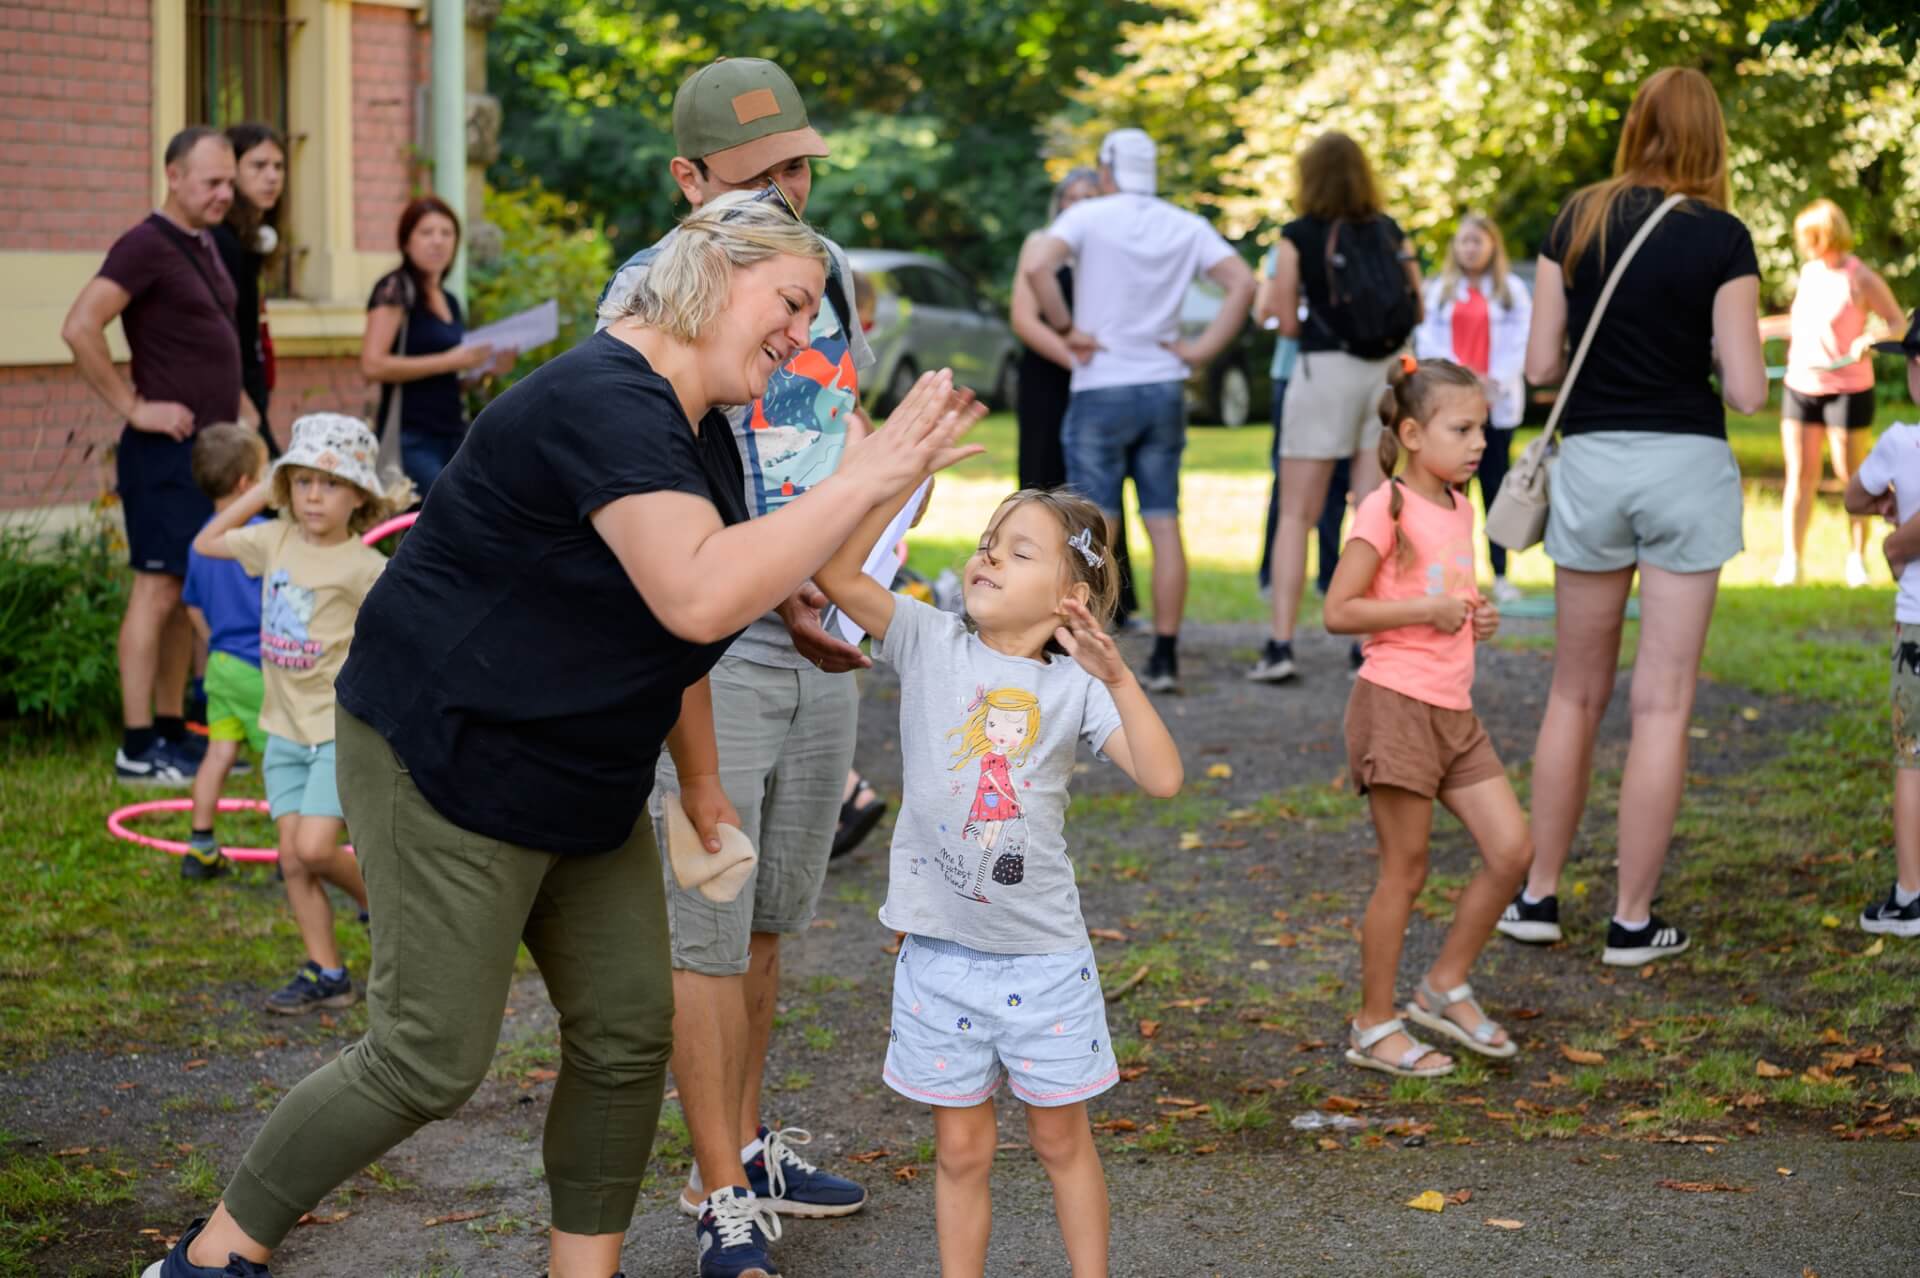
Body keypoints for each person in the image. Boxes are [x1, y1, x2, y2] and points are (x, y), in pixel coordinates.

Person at [141, 194, 987, 1278]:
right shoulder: (602, 398)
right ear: (709, 274)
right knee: (427, 1059)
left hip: (584, 775)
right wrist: (866, 475)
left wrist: (713, 762)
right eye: (790, 302)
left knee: (630, 1032)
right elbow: (691, 593)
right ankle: (212, 1258)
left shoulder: (701, 432)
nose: (800, 333)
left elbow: (696, 608)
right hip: (447, 755)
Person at [591, 58, 895, 1278]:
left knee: (771, 917)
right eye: (762, 173)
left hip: (818, 626)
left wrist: (841, 574)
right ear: (689, 179)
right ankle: (720, 1193)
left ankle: (750, 1144)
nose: (791, 187)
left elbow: (839, 437)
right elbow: (646, 484)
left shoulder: (831, 282)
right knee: (706, 923)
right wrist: (774, 583)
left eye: (801, 165)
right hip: (714, 637)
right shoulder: (651, 290)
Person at [813, 483, 1182, 1278]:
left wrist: (1120, 677)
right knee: (960, 1150)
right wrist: (894, 487)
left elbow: (1162, 777)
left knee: (1059, 1140)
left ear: (1069, 598)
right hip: (939, 957)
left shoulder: (1078, 684)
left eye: (1021, 552)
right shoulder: (927, 639)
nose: (990, 556)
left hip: (1043, 961)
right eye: (989, 540)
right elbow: (841, 577)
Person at [1496, 67, 1767, 966]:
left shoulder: (1577, 220)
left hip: (1595, 463)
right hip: (1686, 466)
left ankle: (1537, 896)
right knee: (1663, 703)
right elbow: (1747, 390)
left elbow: (1540, 365)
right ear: (1711, 138)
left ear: (1637, 126)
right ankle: (1631, 920)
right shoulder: (1723, 237)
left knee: (1574, 693)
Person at [1323, 357, 1531, 1076]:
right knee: (1404, 873)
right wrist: (1428, 611)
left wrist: (1475, 617)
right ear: (1412, 433)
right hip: (1396, 707)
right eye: (1462, 428)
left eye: (1483, 427)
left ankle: (1443, 986)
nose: (1480, 442)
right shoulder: (1386, 507)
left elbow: (1446, 593)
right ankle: (1373, 1025)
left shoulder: (1459, 504)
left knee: (1513, 852)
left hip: (1454, 712)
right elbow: (1338, 610)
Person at [1024, 128, 1255, 693]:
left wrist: (1065, 327)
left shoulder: (1089, 218)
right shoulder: (1185, 224)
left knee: (1096, 522)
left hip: (1101, 383)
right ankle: (1167, 656)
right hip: (1162, 387)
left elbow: (1036, 268)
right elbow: (1243, 283)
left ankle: (1094, 644)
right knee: (1164, 517)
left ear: (1107, 169)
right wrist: (1200, 350)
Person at [62, 125, 256, 785]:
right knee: (155, 590)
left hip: (208, 455)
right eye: (212, 181)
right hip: (161, 455)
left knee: (184, 588)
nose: (225, 193)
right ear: (173, 176)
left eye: (229, 181)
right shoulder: (144, 244)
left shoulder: (203, 246)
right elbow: (81, 325)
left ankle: (173, 731)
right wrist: (132, 405)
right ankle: (136, 744)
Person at [190, 414, 400, 1014]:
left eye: (329, 484)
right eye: (302, 481)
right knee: (291, 859)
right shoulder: (274, 538)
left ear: (358, 494)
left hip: (335, 731)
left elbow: (400, 637)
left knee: (312, 849)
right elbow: (205, 544)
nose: (312, 495)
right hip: (281, 729)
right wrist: (263, 486)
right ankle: (327, 972)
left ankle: (388, 910)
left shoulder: (365, 568)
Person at [1251, 131, 1422, 684]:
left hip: (1323, 373)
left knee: (1297, 514)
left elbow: (1288, 320)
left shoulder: (1296, 236)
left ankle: (1280, 644)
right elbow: (1416, 302)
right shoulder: (1391, 231)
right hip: (1385, 378)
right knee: (1371, 511)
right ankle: (1367, 642)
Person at [1011, 166, 1143, 630]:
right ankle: (1030, 587)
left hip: (1103, 381)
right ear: (1060, 203)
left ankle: (1107, 598)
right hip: (1052, 376)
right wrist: (1076, 360)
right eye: (1073, 197)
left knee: (1100, 489)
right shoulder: (1039, 245)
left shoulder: (1113, 252)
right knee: (1044, 481)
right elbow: (1025, 318)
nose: (1081, 204)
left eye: (1092, 195)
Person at [1761, 199, 1907, 588]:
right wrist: (1757, 329)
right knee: (1801, 475)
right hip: (1802, 385)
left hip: (1848, 388)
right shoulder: (1809, 273)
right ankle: (1792, 561)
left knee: (1851, 477)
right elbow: (1798, 324)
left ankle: (1856, 560)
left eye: (1811, 236)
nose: (1805, 244)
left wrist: (1870, 338)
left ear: (1826, 234)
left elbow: (1897, 324)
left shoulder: (1860, 277)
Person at [1844, 307, 1920, 936]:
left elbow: (1851, 496)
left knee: (1913, 760)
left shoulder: (1900, 441)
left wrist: (1884, 505)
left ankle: (1909, 895)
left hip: (1916, 626)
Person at [1413, 214, 1533, 604]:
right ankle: (1453, 573)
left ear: (1492, 245)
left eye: (1477, 242)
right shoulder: (1440, 290)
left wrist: (1491, 379)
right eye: (1464, 242)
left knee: (1495, 487)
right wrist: (1463, 377)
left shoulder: (1511, 290)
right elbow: (1427, 336)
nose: (1470, 249)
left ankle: (1500, 574)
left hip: (1494, 402)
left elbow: (1522, 339)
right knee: (1449, 490)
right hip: (1451, 404)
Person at [361, 196, 511, 496]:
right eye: (426, 232)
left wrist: (483, 370)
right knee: (445, 513)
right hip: (411, 438)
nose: (438, 242)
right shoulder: (396, 288)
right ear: (406, 241)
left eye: (447, 233)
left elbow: (448, 379)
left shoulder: (451, 301)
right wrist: (450, 361)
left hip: (453, 433)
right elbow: (372, 364)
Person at [180, 424, 271, 879]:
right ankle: (292, 849)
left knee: (219, 753)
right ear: (245, 485)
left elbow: (192, 606)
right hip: (260, 668)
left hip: (220, 664)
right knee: (282, 757)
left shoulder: (201, 542)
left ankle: (200, 846)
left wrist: (219, 637)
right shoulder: (260, 537)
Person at [1255, 243, 1348, 600]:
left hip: (1329, 378)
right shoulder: (1290, 248)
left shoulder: (1299, 245)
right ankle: (1277, 575)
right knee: (1290, 479)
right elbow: (1265, 312)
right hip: (1296, 373)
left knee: (1331, 479)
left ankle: (1327, 575)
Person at [211, 123, 287, 458]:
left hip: (251, 393)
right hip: (231, 402)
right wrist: (243, 403)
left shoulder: (252, 240)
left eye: (279, 166)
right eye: (258, 166)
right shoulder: (223, 242)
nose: (272, 177)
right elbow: (216, 331)